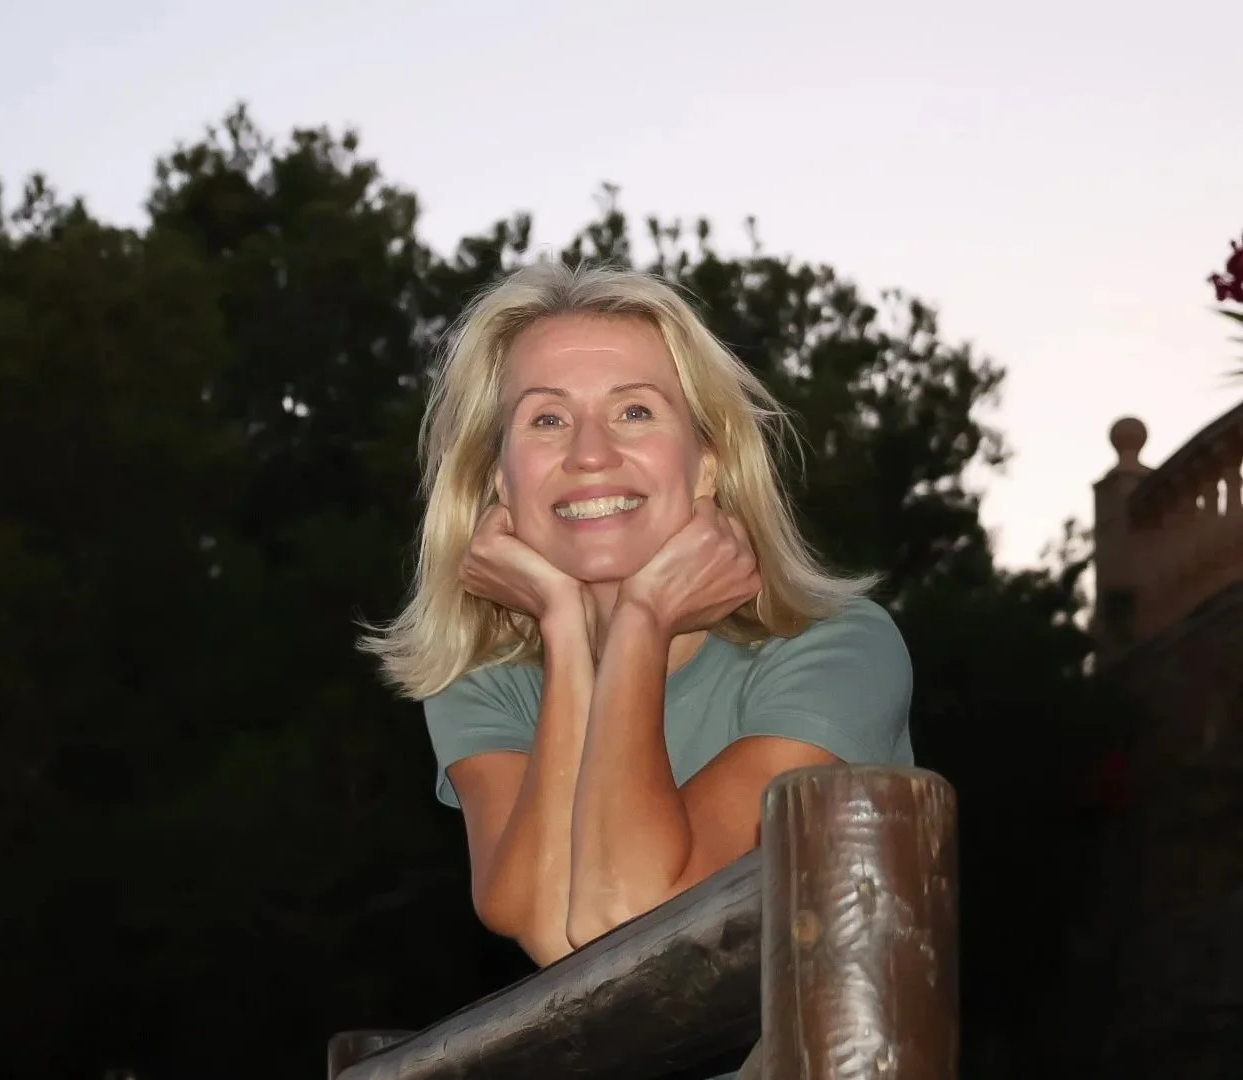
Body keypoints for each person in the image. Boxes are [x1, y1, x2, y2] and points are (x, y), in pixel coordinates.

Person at [360, 261, 912, 1068]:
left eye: (635, 411)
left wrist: (641, 623)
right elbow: (558, 936)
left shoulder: (838, 648)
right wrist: (565, 628)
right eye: (545, 421)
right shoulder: (483, 683)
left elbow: (629, 923)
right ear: (494, 483)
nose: (589, 453)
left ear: (709, 463)